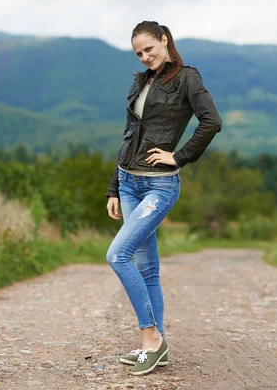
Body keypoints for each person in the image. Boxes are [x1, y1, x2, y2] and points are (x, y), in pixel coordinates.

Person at [105, 21, 222, 376]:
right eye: (139, 53)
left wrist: (179, 155)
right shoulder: (141, 80)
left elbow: (211, 121)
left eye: (149, 50)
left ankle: (151, 339)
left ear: (164, 40)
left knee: (117, 254)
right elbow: (130, 134)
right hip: (128, 183)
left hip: (159, 186)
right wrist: (114, 186)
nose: (144, 57)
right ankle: (160, 347)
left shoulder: (188, 78)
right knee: (147, 268)